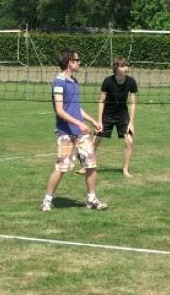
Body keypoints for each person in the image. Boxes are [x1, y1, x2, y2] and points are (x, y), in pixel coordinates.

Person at [40, 48, 107, 212]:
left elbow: (76, 108)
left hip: (81, 134)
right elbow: (60, 110)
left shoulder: (74, 81)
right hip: (66, 133)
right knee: (62, 168)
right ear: (69, 62)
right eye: (77, 60)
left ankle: (92, 200)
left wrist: (92, 121)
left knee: (91, 165)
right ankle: (47, 201)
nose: (79, 63)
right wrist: (79, 123)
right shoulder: (59, 82)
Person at [94, 56, 138, 178]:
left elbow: (133, 103)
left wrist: (131, 122)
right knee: (95, 141)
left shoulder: (131, 82)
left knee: (129, 141)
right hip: (107, 115)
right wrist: (99, 121)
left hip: (123, 115)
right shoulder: (108, 81)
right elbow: (101, 101)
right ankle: (87, 166)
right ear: (116, 67)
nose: (126, 68)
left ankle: (125, 169)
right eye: (122, 66)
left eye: (127, 65)